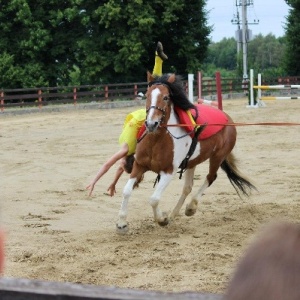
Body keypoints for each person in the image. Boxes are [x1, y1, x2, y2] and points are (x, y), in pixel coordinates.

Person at [86, 42, 168, 197]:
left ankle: (159, 59)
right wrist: (106, 182)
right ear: (125, 162)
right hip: (138, 119)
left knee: (153, 87)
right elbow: (113, 166)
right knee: (153, 87)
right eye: (122, 165)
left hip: (141, 118)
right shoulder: (126, 152)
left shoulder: (128, 152)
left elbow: (112, 166)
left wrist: (101, 182)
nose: (120, 165)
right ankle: (158, 59)